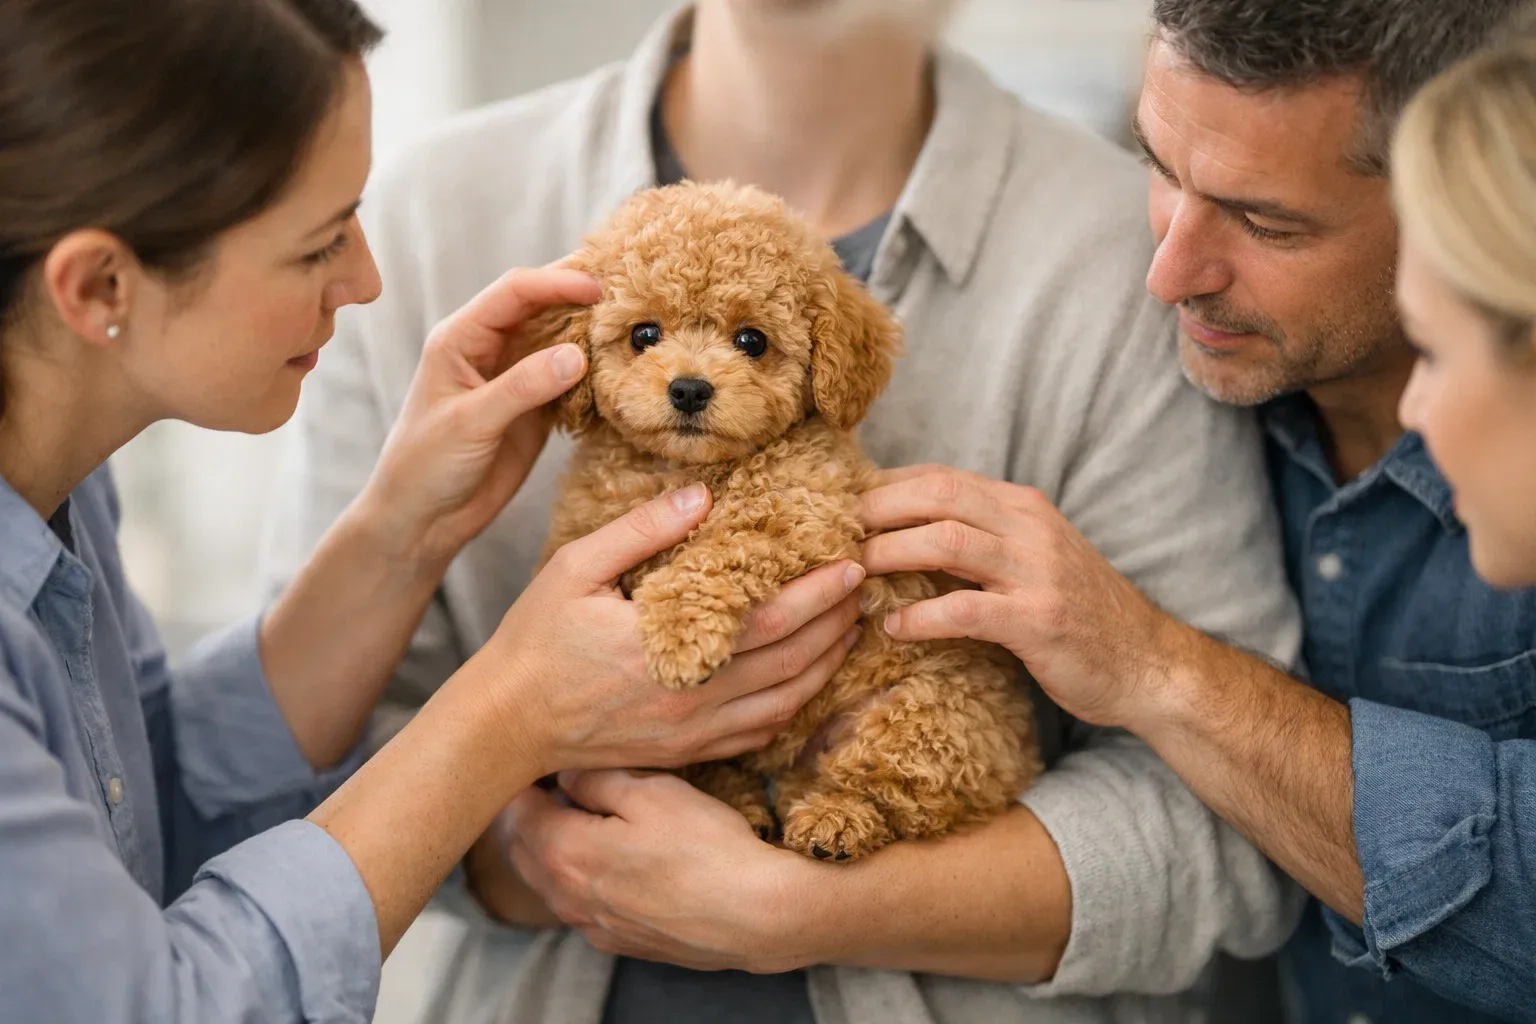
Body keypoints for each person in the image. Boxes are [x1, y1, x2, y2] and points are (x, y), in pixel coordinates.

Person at [264, 1, 1306, 1022]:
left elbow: (1239, 831)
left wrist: (826, 909)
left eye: (753, 341)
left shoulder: (1131, 253)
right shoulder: (420, 213)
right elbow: (296, 765)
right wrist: (539, 839)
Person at [0, 1, 863, 1020]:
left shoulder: (64, 503)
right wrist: (511, 711)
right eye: (320, 244)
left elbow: (147, 812)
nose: (366, 281)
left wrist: (401, 530)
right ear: (102, 283)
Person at [846, 1, 1536, 1022]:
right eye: (1160, 168)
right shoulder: (1157, 372)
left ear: (1456, 187)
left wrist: (1153, 665)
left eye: (1264, 222)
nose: (1168, 275)